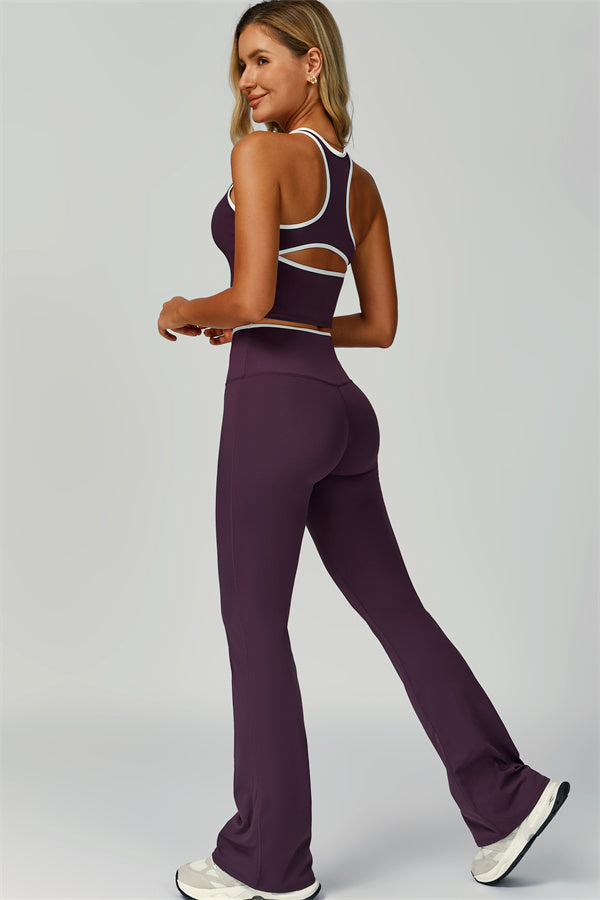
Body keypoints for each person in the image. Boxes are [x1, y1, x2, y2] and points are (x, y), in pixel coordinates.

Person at [157, 2, 570, 898]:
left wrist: (188, 310)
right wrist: (273, 321)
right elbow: (377, 326)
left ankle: (269, 859)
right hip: (340, 411)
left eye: (262, 59)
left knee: (255, 624)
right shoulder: (364, 186)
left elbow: (249, 293)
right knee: (397, 610)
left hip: (272, 410)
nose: (246, 80)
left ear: (313, 63)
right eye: (239, 66)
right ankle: (505, 796)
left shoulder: (259, 156)